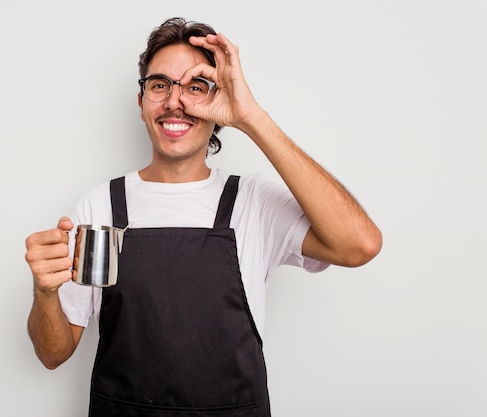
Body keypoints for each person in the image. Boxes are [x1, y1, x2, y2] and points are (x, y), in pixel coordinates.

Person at [24, 17, 382, 417]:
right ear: (141, 102)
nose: (175, 101)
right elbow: (53, 353)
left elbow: (359, 245)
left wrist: (252, 117)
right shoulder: (101, 207)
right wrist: (45, 292)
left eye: (195, 87)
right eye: (160, 85)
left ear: (219, 101)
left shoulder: (252, 201)